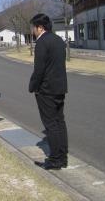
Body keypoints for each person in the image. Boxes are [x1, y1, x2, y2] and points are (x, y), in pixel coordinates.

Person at [28, 13, 68, 170]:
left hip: (46, 89)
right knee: (59, 122)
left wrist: (33, 86)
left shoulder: (42, 42)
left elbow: (39, 69)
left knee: (51, 124)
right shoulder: (58, 40)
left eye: (33, 28)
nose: (32, 31)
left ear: (40, 27)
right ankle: (62, 157)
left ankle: (55, 159)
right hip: (60, 87)